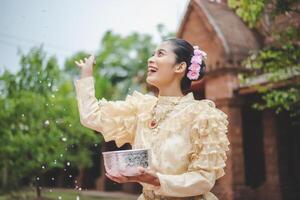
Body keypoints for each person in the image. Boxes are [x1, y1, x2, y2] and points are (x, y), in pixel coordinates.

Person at [74, 38, 230, 200]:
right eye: (152, 54)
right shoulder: (142, 109)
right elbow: (91, 118)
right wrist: (86, 75)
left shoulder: (202, 115)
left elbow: (204, 179)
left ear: (180, 67)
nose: (150, 59)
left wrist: (157, 181)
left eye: (160, 54)